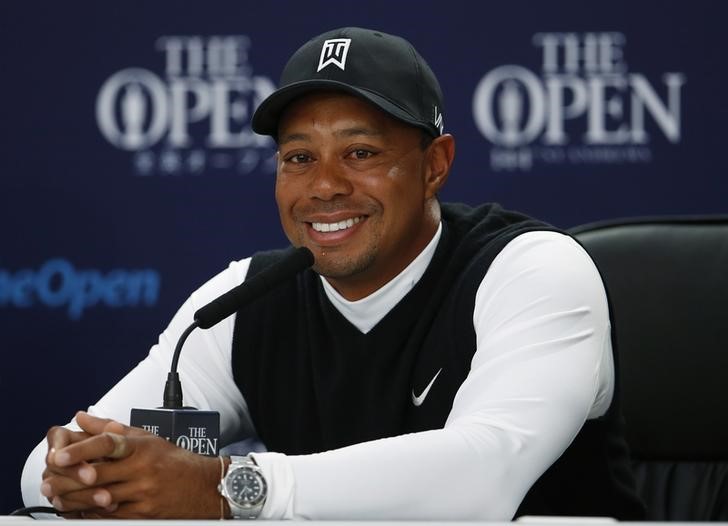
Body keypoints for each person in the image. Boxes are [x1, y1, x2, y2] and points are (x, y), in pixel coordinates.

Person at [22, 27, 645, 520]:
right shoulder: (242, 301)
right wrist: (92, 474)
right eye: (299, 158)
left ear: (435, 165)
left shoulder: (531, 269)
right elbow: (41, 471)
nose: (324, 186)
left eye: (361, 153)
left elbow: (484, 480)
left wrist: (225, 488)